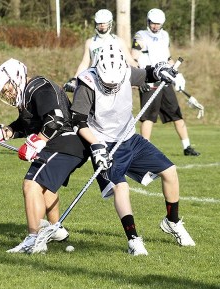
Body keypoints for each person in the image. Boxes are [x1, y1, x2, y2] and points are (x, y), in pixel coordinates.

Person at [70, 44, 195, 256]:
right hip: (103, 144)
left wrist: (159, 71)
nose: (111, 87)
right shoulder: (87, 82)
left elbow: (147, 74)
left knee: (170, 172)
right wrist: (96, 146)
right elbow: (78, 121)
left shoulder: (126, 71)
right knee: (121, 187)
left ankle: (172, 221)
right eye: (107, 83)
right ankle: (133, 240)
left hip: (129, 139)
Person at [0, 58, 89, 253]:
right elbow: (27, 125)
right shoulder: (29, 95)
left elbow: (55, 119)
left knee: (31, 185)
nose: (9, 94)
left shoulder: (40, 88)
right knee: (46, 187)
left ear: (18, 78)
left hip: (65, 142)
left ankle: (33, 240)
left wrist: (38, 141)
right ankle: (56, 229)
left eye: (8, 88)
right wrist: (4, 133)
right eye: (5, 92)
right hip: (63, 144)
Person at [131, 8, 203, 156]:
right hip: (150, 80)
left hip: (165, 79)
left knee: (176, 113)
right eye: (153, 23)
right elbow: (134, 57)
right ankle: (145, 150)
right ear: (148, 21)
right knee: (148, 116)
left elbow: (168, 58)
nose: (155, 26)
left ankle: (187, 147)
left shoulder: (165, 35)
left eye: (158, 24)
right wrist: (140, 79)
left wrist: (177, 75)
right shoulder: (140, 36)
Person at [64, 8, 137, 93]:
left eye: (104, 23)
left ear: (110, 23)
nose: (102, 25)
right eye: (99, 23)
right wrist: (74, 79)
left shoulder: (119, 41)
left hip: (116, 83)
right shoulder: (90, 42)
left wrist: (144, 76)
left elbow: (130, 61)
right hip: (96, 82)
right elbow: (85, 63)